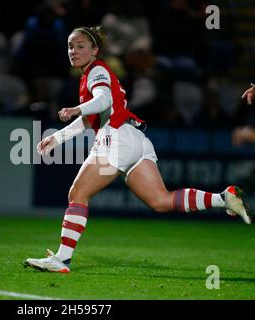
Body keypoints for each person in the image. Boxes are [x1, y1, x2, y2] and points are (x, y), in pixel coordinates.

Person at [24, 26, 252, 273]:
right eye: (70, 46)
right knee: (160, 201)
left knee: (77, 194)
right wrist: (58, 137)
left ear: (95, 51)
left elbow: (103, 101)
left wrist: (77, 109)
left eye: (81, 46)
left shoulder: (96, 70)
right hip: (136, 139)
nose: (74, 51)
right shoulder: (91, 75)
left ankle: (62, 259)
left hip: (117, 138)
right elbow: (95, 115)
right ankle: (223, 198)